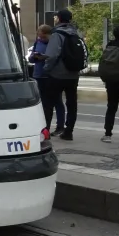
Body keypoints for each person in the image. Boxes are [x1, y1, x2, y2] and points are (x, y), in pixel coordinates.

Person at [43, 9, 87, 140]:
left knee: (49, 103)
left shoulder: (57, 34)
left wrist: (46, 68)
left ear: (59, 19)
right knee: (71, 103)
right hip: (73, 74)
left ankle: (46, 131)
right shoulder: (76, 33)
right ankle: (69, 131)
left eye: (56, 17)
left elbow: (51, 55)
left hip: (57, 74)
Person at [30, 24, 65, 136]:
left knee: (56, 101)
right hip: (38, 75)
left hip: (50, 75)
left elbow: (55, 57)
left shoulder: (54, 43)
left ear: (48, 35)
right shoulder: (37, 42)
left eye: (43, 37)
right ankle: (44, 126)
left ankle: (60, 126)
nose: (41, 38)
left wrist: (45, 58)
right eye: (39, 36)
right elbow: (31, 58)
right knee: (43, 103)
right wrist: (34, 57)